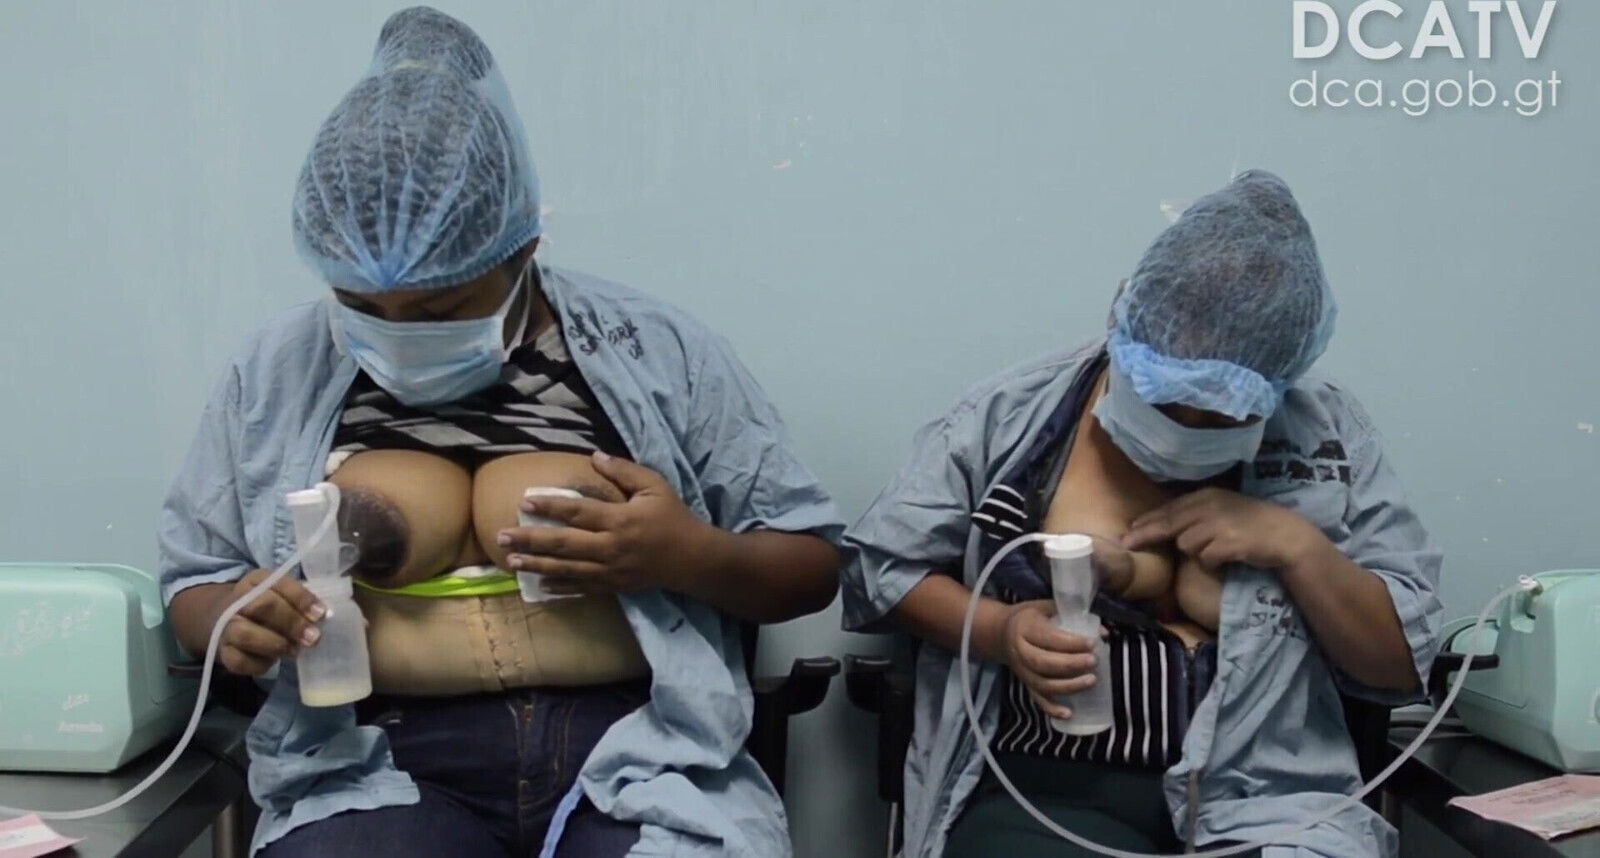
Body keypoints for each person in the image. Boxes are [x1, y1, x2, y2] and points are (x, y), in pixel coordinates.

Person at [159, 8, 842, 857]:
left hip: (637, 752)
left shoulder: (655, 351)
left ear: (521, 246)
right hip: (375, 761)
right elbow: (194, 585)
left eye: (442, 307)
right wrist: (235, 614)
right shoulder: (274, 375)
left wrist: (686, 557)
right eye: (363, 309)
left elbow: (810, 565)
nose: (400, 331)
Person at [841, 171, 1443, 858]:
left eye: (1223, 415)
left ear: (1277, 382)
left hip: (1273, 802)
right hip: (1052, 792)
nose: (1186, 431)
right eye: (1163, 399)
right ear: (1127, 326)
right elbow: (882, 568)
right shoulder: (1009, 420)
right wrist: (1003, 631)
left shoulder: (1327, 439)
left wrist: (1297, 548)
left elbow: (1397, 669)